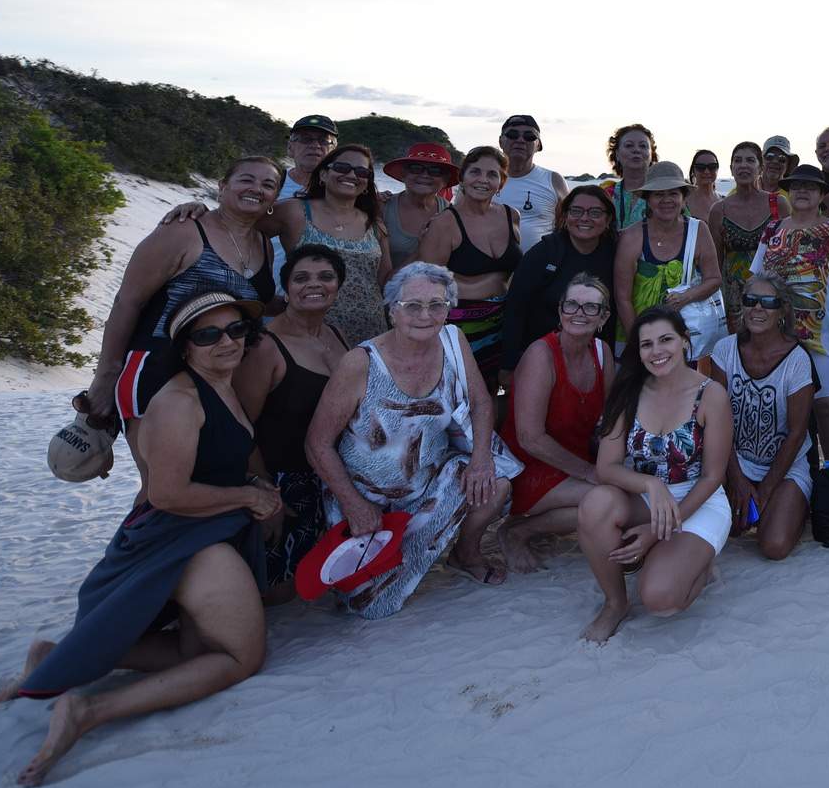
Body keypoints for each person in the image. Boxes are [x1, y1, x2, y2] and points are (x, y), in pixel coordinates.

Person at [0, 293, 276, 787]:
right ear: (185, 347)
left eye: (236, 331)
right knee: (239, 658)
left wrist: (257, 489)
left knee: (196, 654)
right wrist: (247, 498)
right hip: (185, 536)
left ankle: (54, 655)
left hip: (208, 527)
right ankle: (90, 710)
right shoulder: (178, 402)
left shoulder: (221, 385)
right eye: (207, 335)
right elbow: (169, 494)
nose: (226, 341)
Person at [303, 262, 521, 616]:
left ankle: (465, 553)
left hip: (429, 483)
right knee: (371, 607)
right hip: (365, 498)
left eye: (437, 305)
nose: (425, 315)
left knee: (495, 484)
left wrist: (481, 459)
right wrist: (355, 505)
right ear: (392, 311)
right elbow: (317, 444)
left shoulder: (453, 340)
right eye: (412, 306)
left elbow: (482, 402)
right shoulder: (360, 363)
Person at [82, 156, 279, 444]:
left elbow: (251, 300)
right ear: (223, 187)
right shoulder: (183, 231)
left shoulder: (264, 245)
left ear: (274, 197)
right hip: (158, 368)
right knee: (161, 484)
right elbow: (127, 302)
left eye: (268, 184)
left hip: (220, 376)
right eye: (246, 180)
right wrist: (106, 373)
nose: (257, 188)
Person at [576, 307, 735, 643]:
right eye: (646, 344)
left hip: (698, 500)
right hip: (648, 495)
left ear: (684, 341)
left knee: (660, 600)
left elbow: (712, 476)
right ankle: (615, 602)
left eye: (666, 340)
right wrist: (650, 483)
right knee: (595, 505)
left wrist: (659, 528)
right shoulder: (629, 391)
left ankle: (698, 566)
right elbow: (607, 467)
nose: (657, 351)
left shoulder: (711, 395)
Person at [233, 244, 349, 601]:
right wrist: (265, 495)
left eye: (325, 277)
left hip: (329, 479)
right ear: (285, 289)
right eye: (301, 278)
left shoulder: (335, 334)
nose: (314, 285)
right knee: (279, 593)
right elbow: (240, 428)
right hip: (284, 485)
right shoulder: (266, 347)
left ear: (338, 286)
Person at [498, 273, 616, 573]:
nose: (579, 313)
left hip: (578, 455)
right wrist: (590, 472)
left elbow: (612, 418)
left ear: (603, 317)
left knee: (626, 488)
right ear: (560, 310)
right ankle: (517, 532)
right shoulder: (541, 355)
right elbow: (530, 438)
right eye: (571, 305)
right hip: (531, 464)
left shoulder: (603, 353)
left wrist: (615, 461)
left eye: (590, 307)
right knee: (609, 500)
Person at [751, 163, 829, 452]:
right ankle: (797, 472)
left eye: (810, 187)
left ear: (821, 194)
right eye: (797, 186)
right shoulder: (772, 231)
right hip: (776, 337)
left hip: (820, 339)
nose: (802, 191)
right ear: (788, 191)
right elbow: (757, 281)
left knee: (825, 405)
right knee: (782, 409)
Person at [712, 275, 819, 559]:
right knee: (729, 529)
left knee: (774, 545)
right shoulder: (724, 351)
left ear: (782, 310)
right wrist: (737, 480)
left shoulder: (797, 360)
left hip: (787, 465)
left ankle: (796, 502)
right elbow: (717, 424)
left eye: (768, 302)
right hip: (736, 460)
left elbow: (797, 434)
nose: (758, 308)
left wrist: (766, 490)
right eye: (750, 300)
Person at [414, 146, 523, 390]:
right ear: (462, 178)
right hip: (459, 327)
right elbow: (427, 283)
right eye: (475, 172)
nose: (483, 180)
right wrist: (482, 288)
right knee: (459, 393)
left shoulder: (511, 216)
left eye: (492, 174)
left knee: (494, 388)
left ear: (501, 183)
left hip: (502, 324)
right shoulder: (444, 223)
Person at [275, 144, 391, 346]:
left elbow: (386, 280)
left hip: (370, 332)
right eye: (342, 167)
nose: (352, 175)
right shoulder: (294, 212)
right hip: (309, 332)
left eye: (362, 171)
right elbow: (242, 227)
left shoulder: (374, 224)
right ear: (323, 174)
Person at [613, 161, 725, 357]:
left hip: (685, 334)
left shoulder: (698, 230)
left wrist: (685, 297)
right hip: (637, 330)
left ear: (683, 199)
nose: (666, 200)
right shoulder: (632, 236)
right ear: (647, 199)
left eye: (673, 193)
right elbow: (622, 298)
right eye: (658, 194)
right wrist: (640, 343)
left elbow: (714, 279)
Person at [504, 183, 619, 358]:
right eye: (576, 211)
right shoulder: (544, 253)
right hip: (544, 354)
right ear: (565, 216)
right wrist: (509, 363)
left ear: (608, 219)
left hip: (597, 356)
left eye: (595, 212)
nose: (585, 218)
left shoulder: (616, 255)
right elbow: (515, 309)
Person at [704, 141, 786, 322]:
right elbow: (716, 261)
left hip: (772, 294)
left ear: (761, 167)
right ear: (731, 168)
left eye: (750, 160)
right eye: (738, 161)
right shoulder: (719, 210)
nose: (743, 166)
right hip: (734, 297)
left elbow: (788, 255)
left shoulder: (778, 204)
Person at [271, 115, 339, 285]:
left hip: (324, 294)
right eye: (305, 139)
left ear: (334, 151)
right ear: (290, 148)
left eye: (324, 141)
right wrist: (198, 208)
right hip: (268, 294)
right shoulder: (270, 184)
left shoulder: (345, 191)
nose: (315, 145)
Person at [494, 114, 569, 252]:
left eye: (529, 136)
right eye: (512, 134)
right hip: (488, 269)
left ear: (538, 145)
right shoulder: (483, 180)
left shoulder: (554, 180)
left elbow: (567, 226)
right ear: (500, 141)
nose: (520, 140)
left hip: (540, 269)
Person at [379, 142, 457, 270]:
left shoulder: (452, 214)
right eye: (416, 168)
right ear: (404, 174)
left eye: (435, 171)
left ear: (445, 180)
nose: (425, 175)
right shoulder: (382, 207)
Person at [599, 124, 656, 231]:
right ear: (617, 154)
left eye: (643, 146)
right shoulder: (605, 193)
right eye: (629, 145)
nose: (636, 150)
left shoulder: (665, 193)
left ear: (651, 154)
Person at [685, 150, 722, 220]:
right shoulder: (683, 203)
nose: (706, 171)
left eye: (712, 167)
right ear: (693, 170)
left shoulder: (724, 201)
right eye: (700, 167)